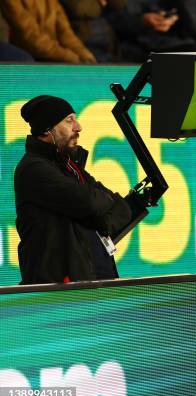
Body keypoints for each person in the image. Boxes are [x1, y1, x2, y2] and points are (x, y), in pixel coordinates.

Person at [14, 95, 131, 284]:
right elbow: (87, 202)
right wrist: (97, 206)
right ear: (47, 129)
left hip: (96, 282)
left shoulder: (71, 166)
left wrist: (96, 211)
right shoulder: (33, 169)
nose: (78, 127)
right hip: (60, 291)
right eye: (69, 121)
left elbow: (122, 209)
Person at [0, 0, 96, 63]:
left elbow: (66, 33)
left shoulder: (52, 2)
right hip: (33, 53)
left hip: (53, 53)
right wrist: (68, 56)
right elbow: (30, 37)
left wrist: (83, 53)